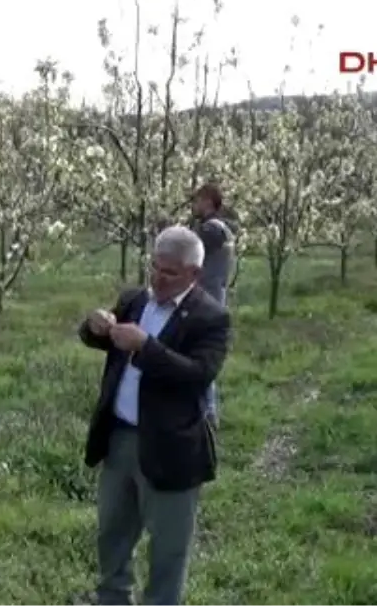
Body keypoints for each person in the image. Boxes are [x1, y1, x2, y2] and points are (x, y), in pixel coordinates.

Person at [78, 225, 231, 606]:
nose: (158, 278)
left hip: (171, 446)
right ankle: (112, 597)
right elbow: (104, 338)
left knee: (167, 545)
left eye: (170, 273)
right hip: (120, 439)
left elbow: (198, 374)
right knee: (112, 531)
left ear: (194, 274)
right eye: (154, 267)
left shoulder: (210, 317)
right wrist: (94, 326)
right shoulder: (134, 302)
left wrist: (147, 348)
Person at [190, 183, 236, 430]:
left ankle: (206, 416)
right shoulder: (223, 229)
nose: (193, 206)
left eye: (196, 200)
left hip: (205, 303)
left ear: (208, 201)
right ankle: (206, 414)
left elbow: (188, 249)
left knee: (199, 360)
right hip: (215, 299)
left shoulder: (211, 231)